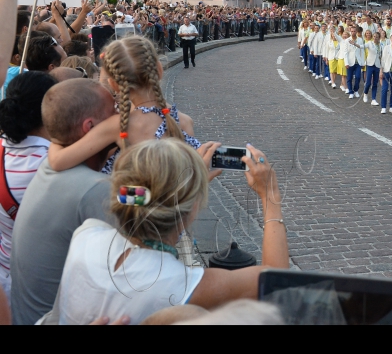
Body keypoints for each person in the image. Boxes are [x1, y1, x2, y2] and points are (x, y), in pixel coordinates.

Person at [45, 139, 288, 325]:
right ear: (192, 209)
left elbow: (150, 209)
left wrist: (184, 192)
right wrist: (270, 197)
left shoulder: (87, 235)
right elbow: (278, 282)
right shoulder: (185, 286)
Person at [10, 79, 116, 325]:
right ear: (90, 127)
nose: (122, 117)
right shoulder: (93, 189)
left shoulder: (52, 163)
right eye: (114, 112)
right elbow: (148, 222)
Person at [48, 36, 200, 175]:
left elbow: (57, 162)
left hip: (124, 203)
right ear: (159, 70)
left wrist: (52, 137)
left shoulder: (118, 125)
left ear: (114, 84)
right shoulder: (184, 122)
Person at [0, 72, 57, 298]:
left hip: (7, 272)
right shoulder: (51, 167)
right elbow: (119, 198)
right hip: (39, 290)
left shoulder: (5, 147)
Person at [379, 33, 392, 114]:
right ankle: (383, 107)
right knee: (384, 89)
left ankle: (391, 106)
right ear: (390, 39)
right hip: (386, 71)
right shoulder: (386, 48)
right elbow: (383, 60)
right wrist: (381, 71)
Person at [342, 25, 365, 98]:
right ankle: (350, 91)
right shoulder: (347, 40)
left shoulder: (360, 40)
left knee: (358, 77)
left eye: (354, 31)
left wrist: (363, 62)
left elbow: (362, 51)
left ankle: (356, 90)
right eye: (351, 31)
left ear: (356, 31)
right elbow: (345, 52)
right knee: (349, 78)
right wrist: (346, 62)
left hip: (358, 61)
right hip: (350, 61)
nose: (353, 32)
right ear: (350, 31)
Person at [363, 31, 382, 106]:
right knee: (368, 82)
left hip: (377, 65)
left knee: (375, 83)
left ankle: (373, 99)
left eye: (377, 37)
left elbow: (381, 56)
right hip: (370, 64)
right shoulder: (369, 43)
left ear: (379, 38)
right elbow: (362, 46)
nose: (375, 38)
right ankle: (365, 93)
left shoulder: (381, 45)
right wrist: (355, 44)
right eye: (374, 36)